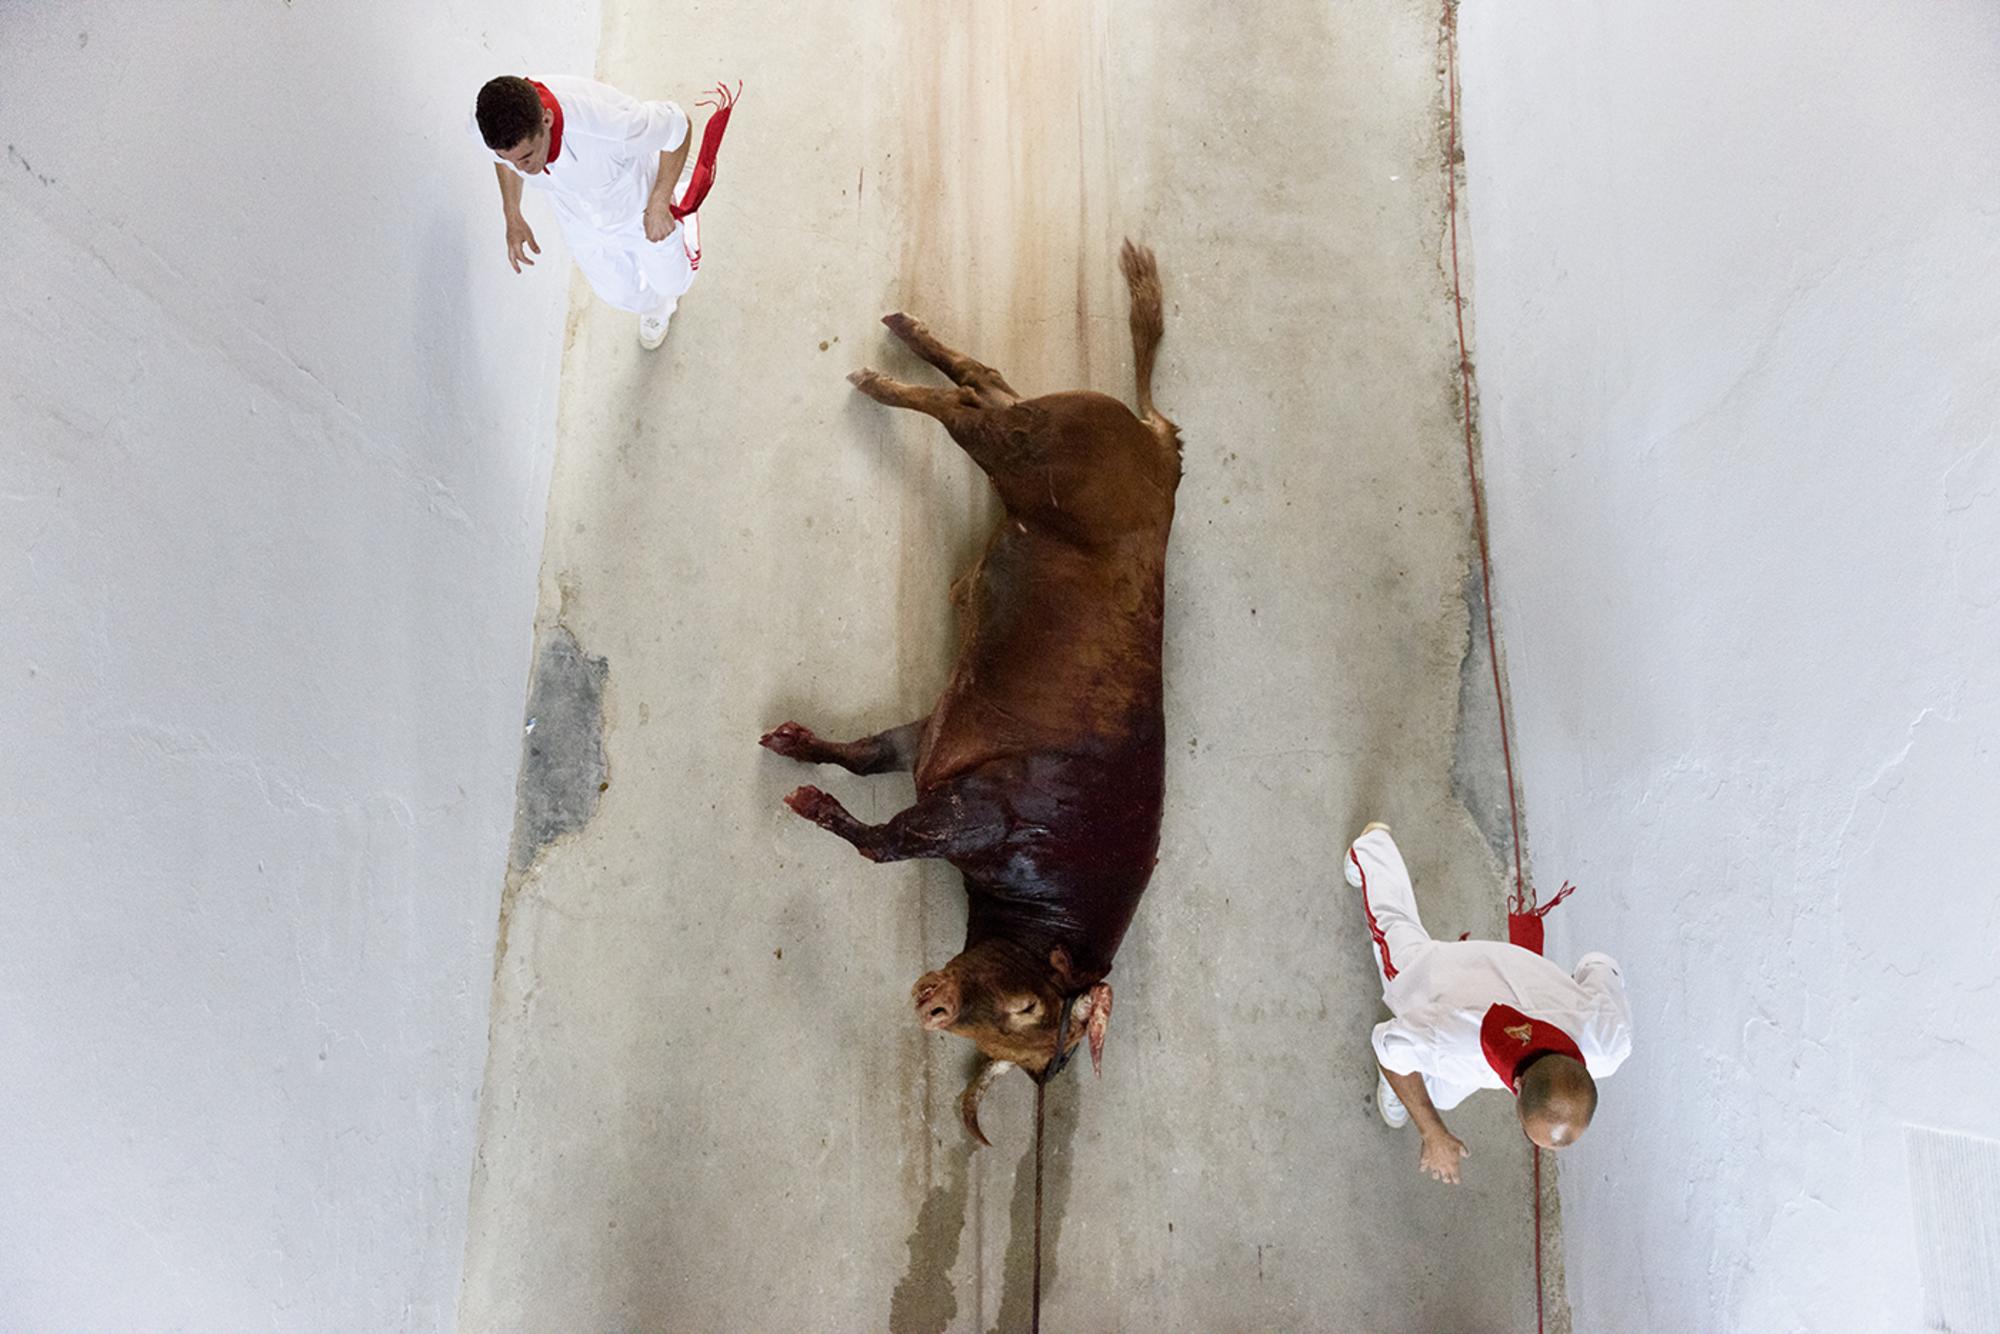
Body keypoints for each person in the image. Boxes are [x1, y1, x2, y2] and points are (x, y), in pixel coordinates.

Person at [1343, 822, 1632, 1185]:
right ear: (1521, 1087)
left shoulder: (1609, 1042)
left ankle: (1411, 1084)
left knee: (1439, 1095)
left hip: (1520, 972)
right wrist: (1433, 1133)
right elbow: (1385, 1043)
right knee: (1393, 926)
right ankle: (1372, 848)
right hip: (1440, 974)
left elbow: (1597, 963)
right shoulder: (1449, 1040)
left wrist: (1555, 997)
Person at [472, 74, 703, 349]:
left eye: (526, 157)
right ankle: (657, 310)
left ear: (546, 120)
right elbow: (504, 160)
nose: (521, 169)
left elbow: (679, 126)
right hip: (579, 221)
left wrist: (660, 201)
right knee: (618, 292)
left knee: (672, 283)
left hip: (640, 208)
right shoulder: (491, 128)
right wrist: (512, 213)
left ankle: (679, 187)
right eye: (508, 159)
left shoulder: (610, 124)